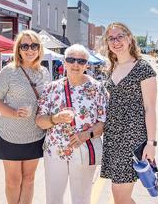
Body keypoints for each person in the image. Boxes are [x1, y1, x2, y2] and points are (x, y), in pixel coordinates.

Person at [36, 44, 108, 204]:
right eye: (71, 60)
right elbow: (39, 121)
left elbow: (103, 122)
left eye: (81, 61)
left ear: (87, 65)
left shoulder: (97, 88)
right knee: (53, 198)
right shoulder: (51, 88)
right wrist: (55, 119)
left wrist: (85, 135)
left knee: (81, 198)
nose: (76, 64)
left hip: (83, 149)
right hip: (55, 151)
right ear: (64, 62)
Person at [0, 30, 50, 204]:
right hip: (10, 133)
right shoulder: (9, 71)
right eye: (25, 46)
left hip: (35, 133)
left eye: (34, 46)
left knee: (29, 178)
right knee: (13, 180)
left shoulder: (44, 72)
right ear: (19, 49)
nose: (30, 50)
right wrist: (14, 113)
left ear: (39, 48)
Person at [100, 22, 157, 204]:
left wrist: (151, 143)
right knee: (119, 197)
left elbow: (150, 108)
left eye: (120, 37)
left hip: (132, 139)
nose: (116, 42)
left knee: (120, 196)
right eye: (111, 38)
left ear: (130, 39)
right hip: (113, 138)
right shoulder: (111, 68)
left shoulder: (143, 68)